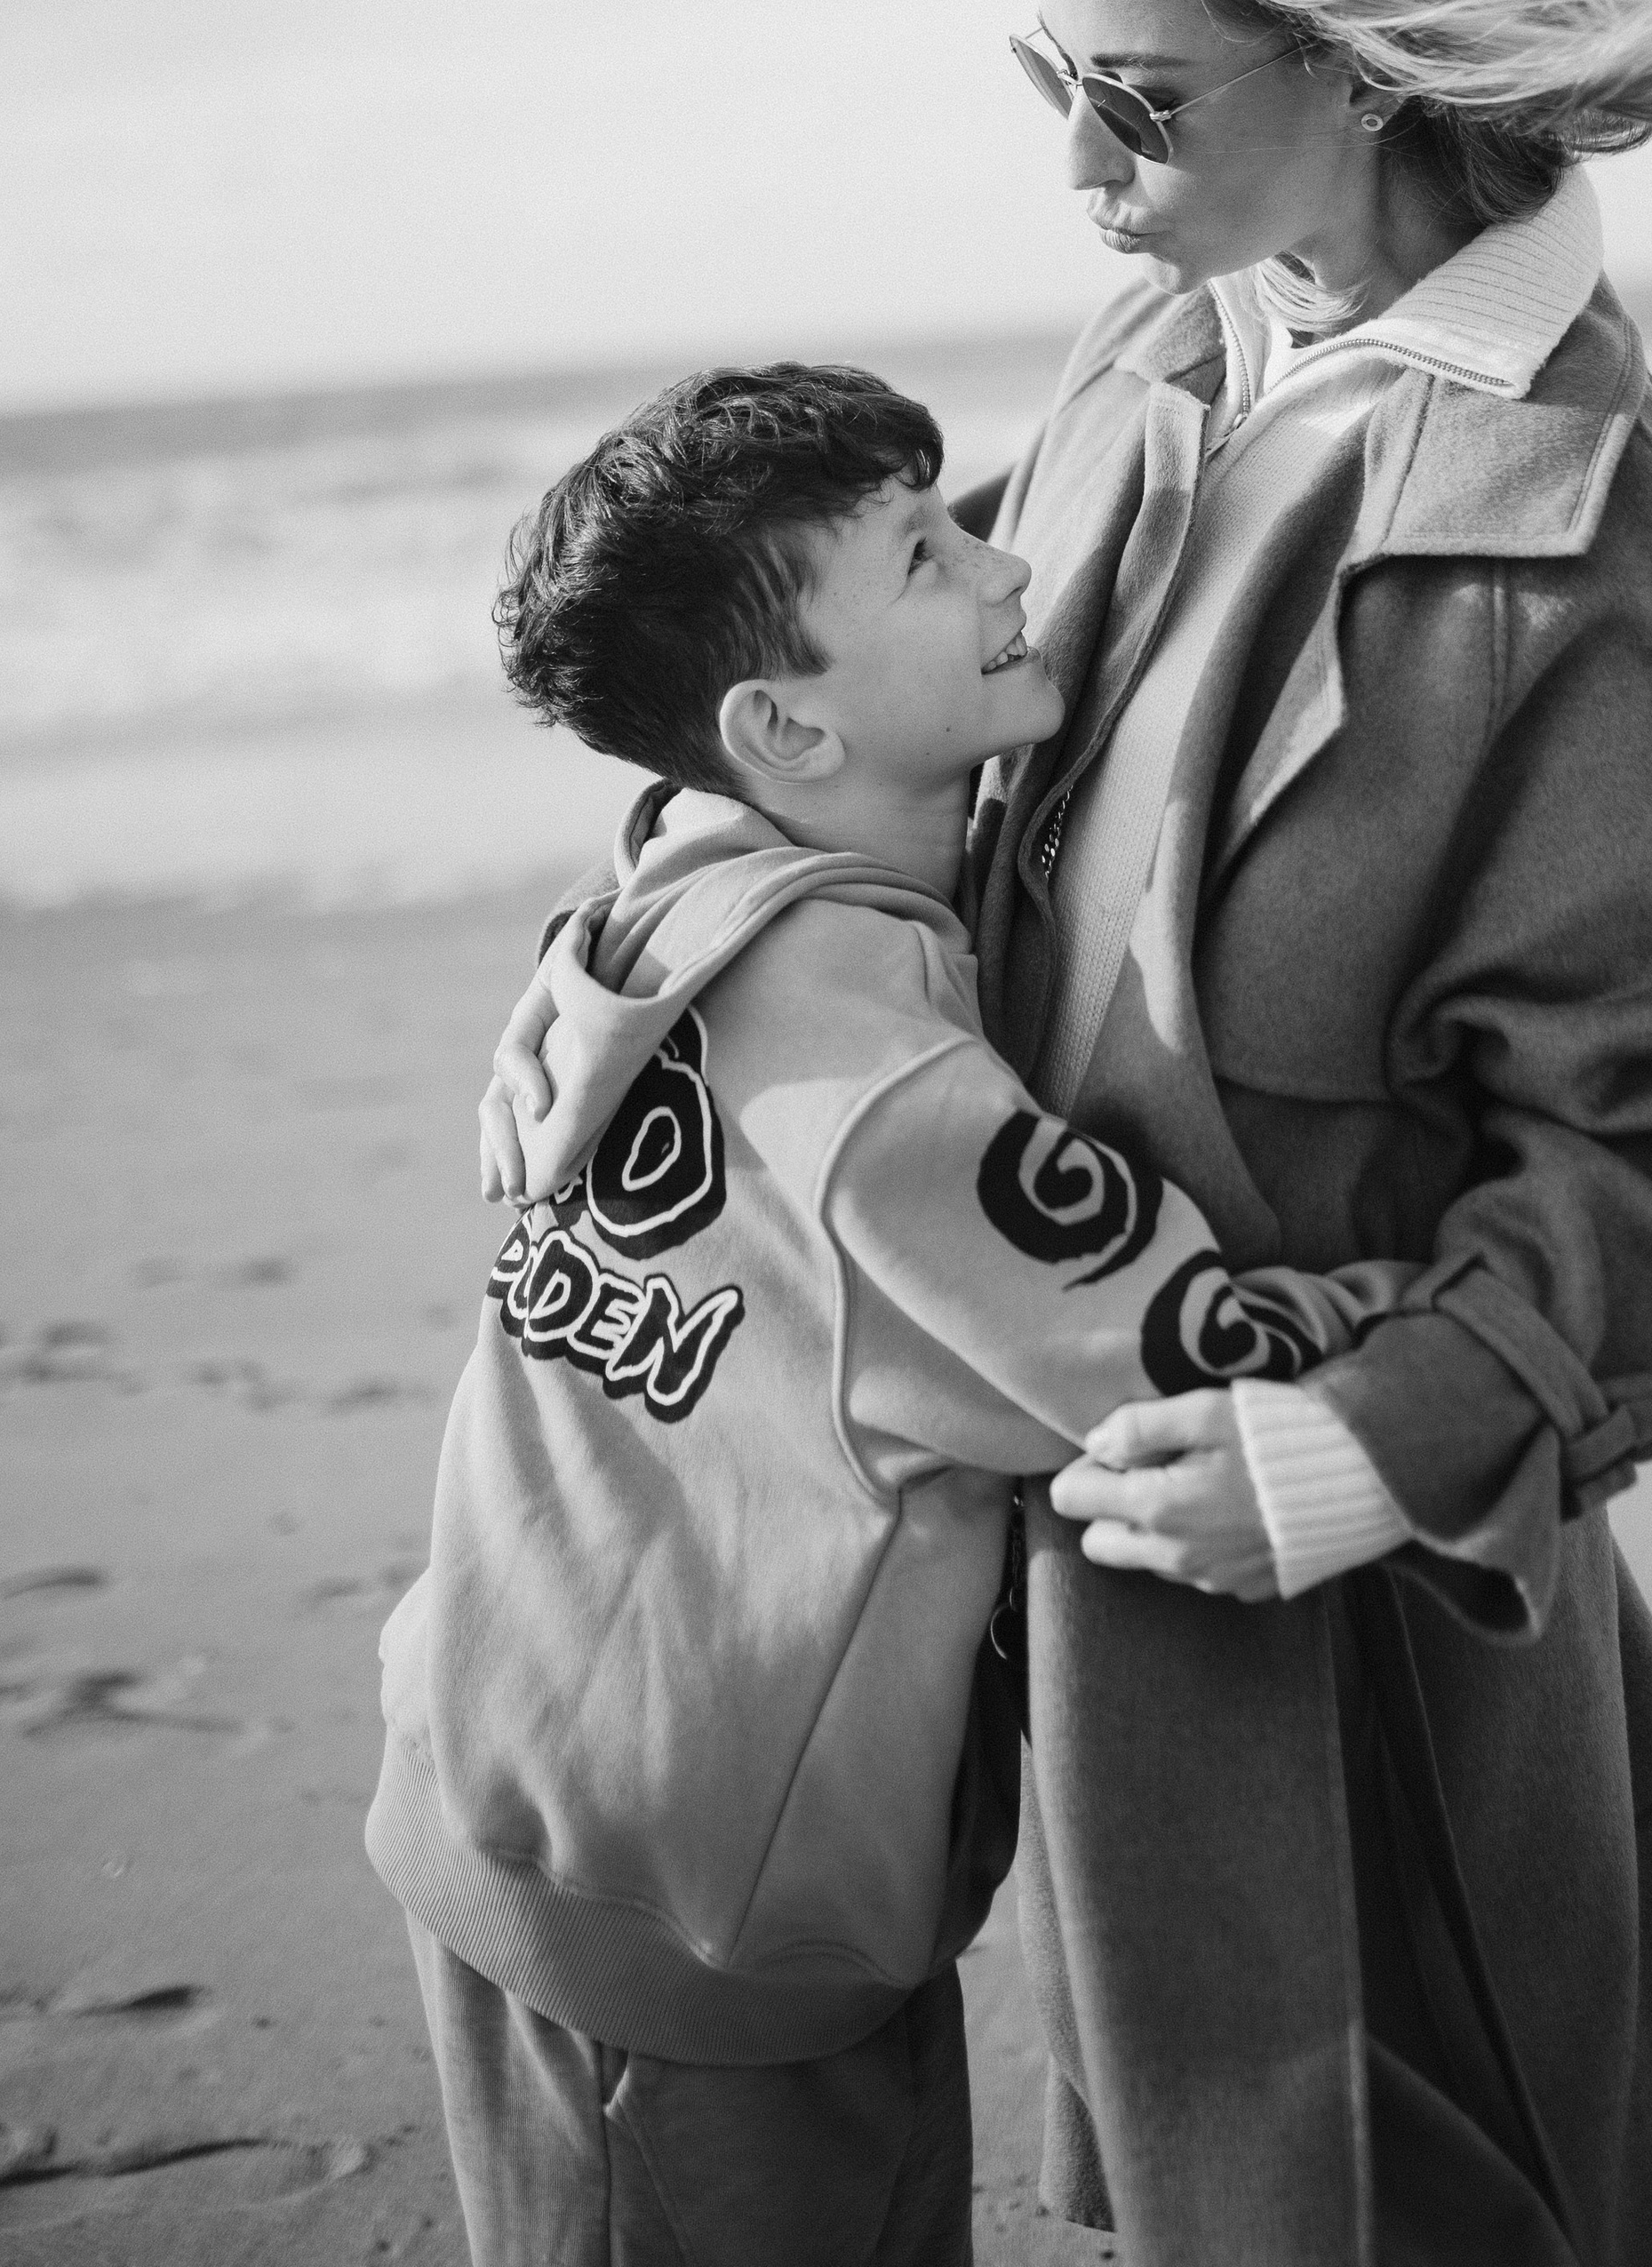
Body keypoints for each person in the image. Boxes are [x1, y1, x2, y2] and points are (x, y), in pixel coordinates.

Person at [483, 0, 1652, 2264]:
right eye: (1050, 73)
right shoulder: (1161, 346)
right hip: (1075, 1531)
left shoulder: (1573, 537)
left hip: (1347, 1577)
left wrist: (1379, 1436)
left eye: (1142, 102)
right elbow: (881, 754)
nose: (1074, 163)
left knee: (1438, 2149)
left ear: (1371, 61)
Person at [371, 360, 1396, 2267]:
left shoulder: (671, 883)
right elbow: (1173, 1359)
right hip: (705, 1895)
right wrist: (1443, 1301)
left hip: (498, 1755)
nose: (1011, 572)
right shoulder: (878, 1092)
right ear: (780, 722)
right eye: (927, 558)